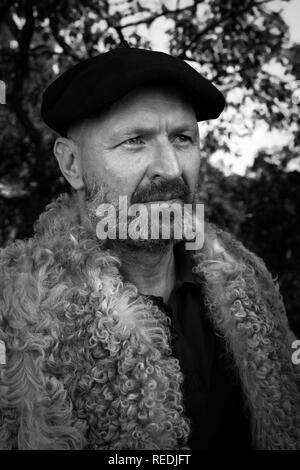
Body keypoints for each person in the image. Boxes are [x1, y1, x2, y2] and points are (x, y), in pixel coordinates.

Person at [0, 47, 299, 450]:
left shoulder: (253, 287)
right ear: (71, 164)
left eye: (182, 139)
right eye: (135, 141)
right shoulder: (15, 316)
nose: (171, 168)